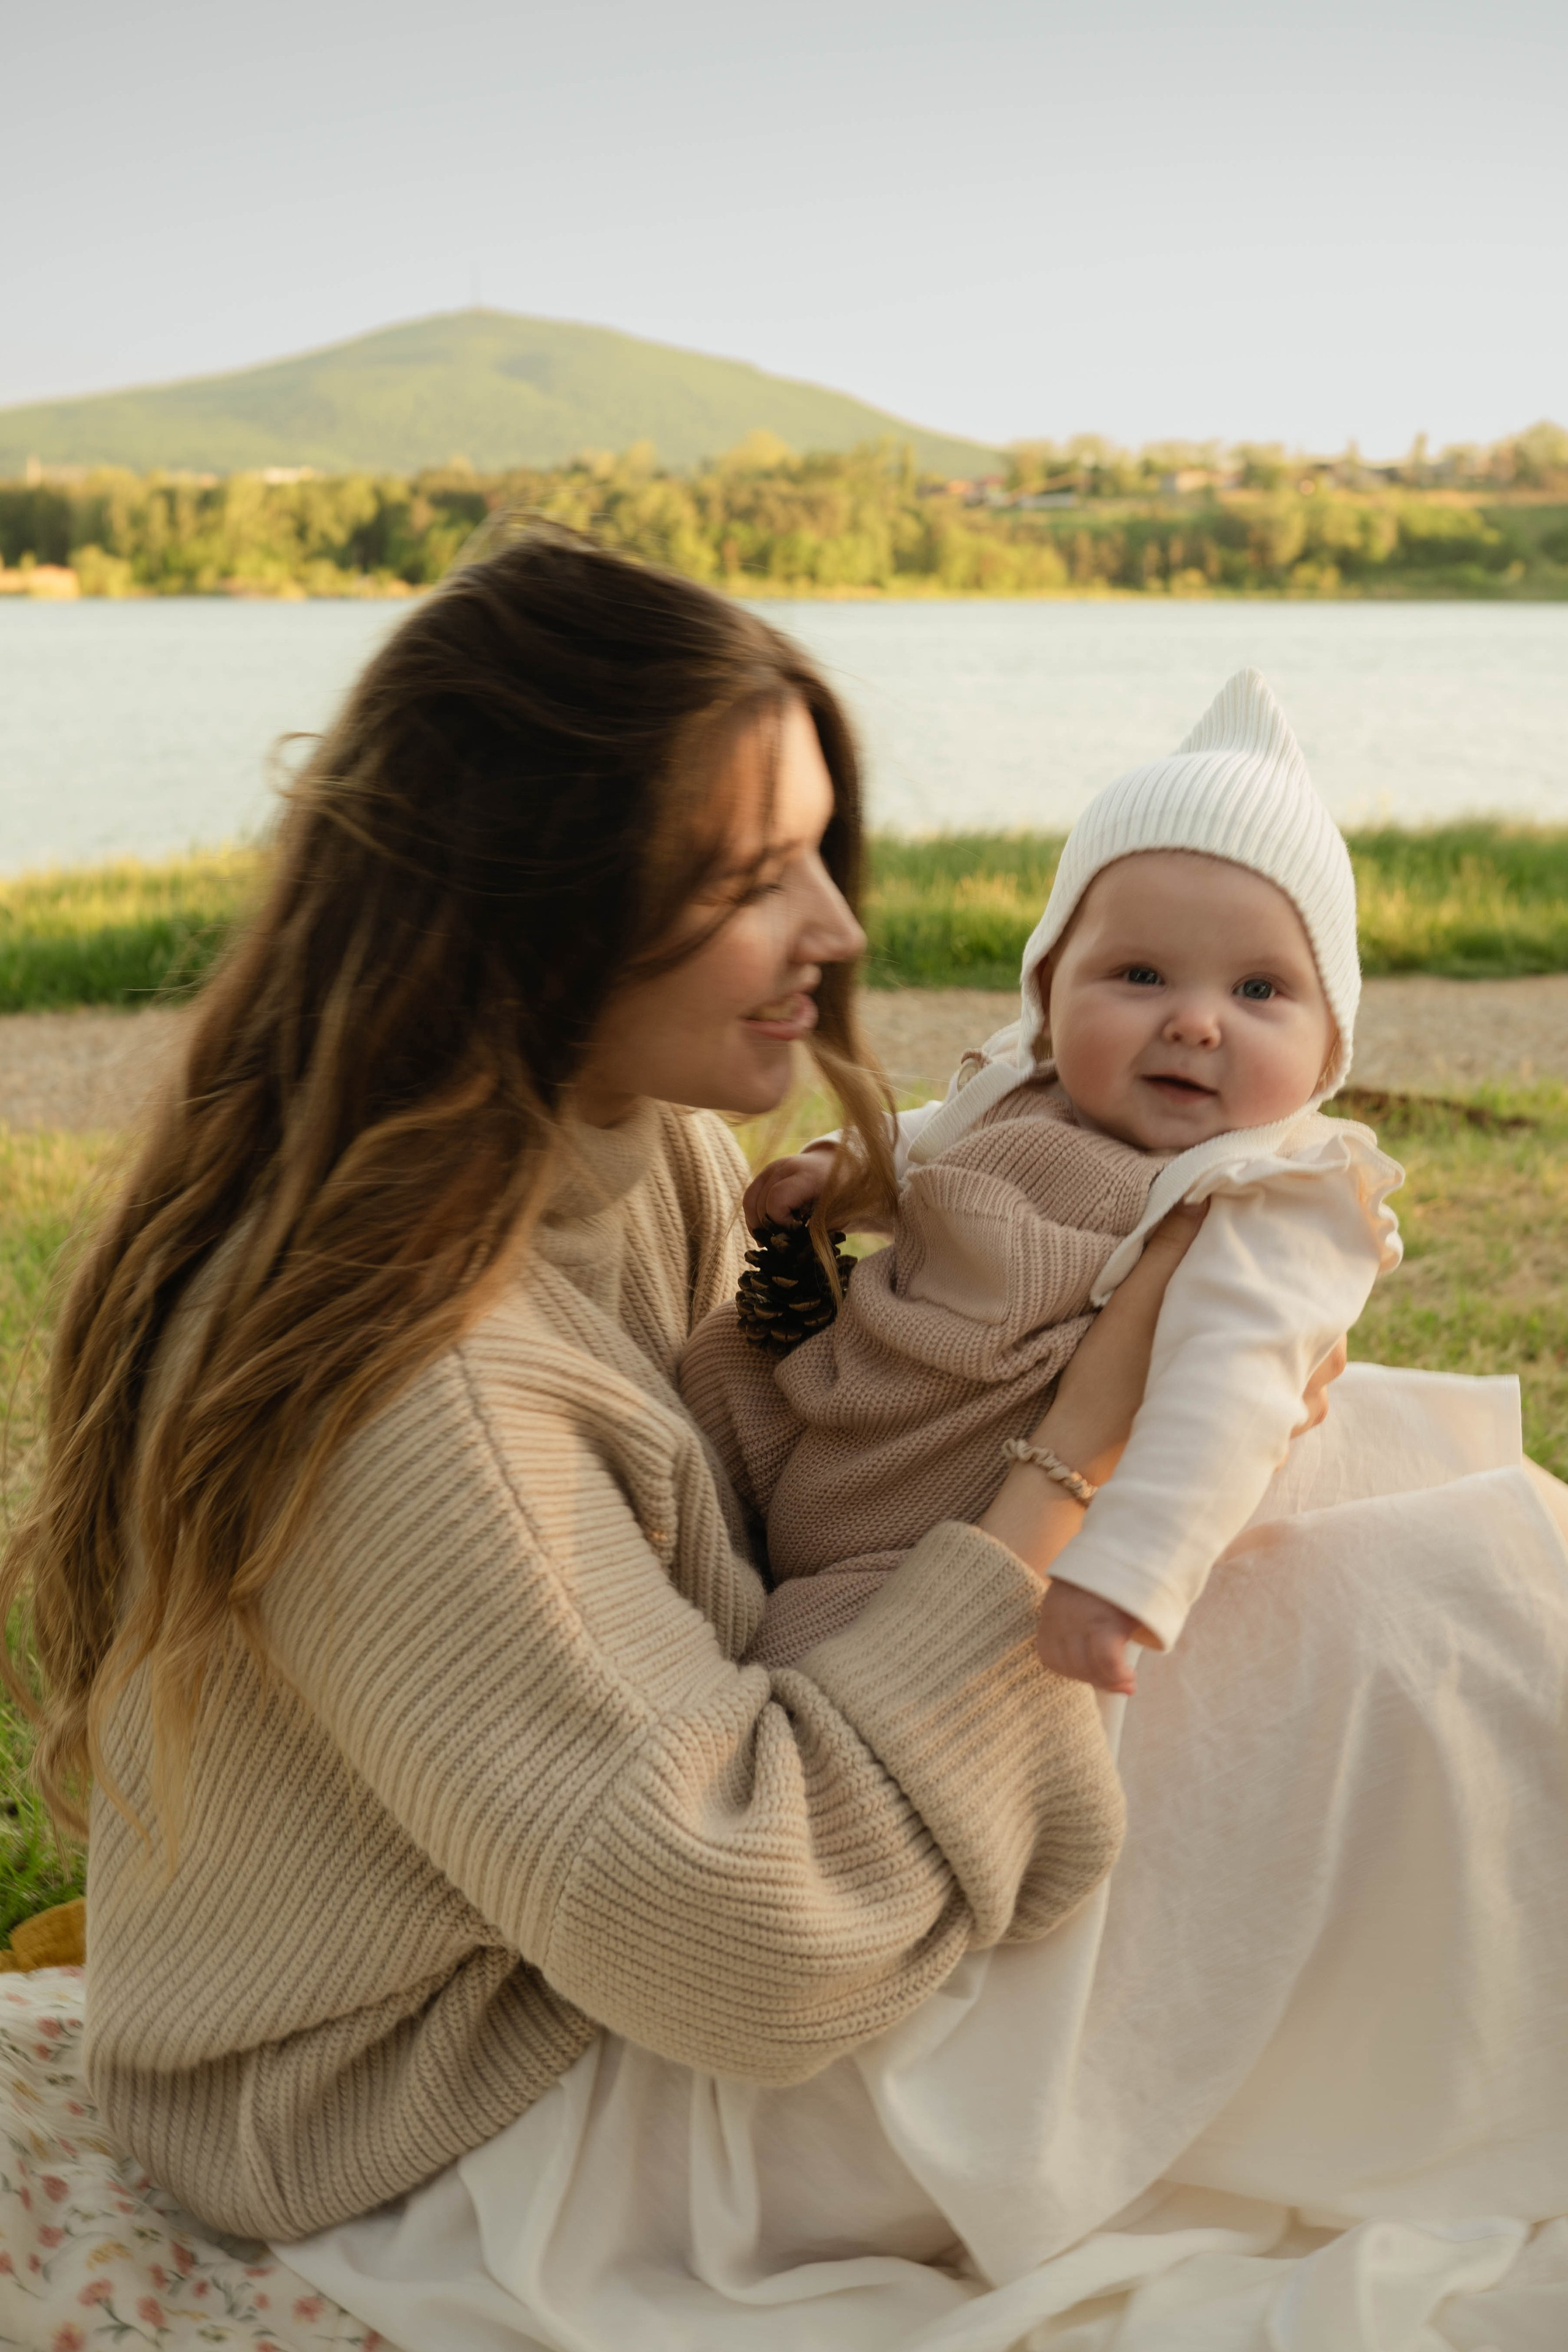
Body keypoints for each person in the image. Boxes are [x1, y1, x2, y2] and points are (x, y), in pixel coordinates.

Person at [4, 536, 1566, 2352]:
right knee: (1413, 1626)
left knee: (1399, 1489)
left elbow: (746, 1494)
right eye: (757, 877)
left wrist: (875, 1308)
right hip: (472, 2104)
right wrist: (1076, 1448)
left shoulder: (627, 1144)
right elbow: (742, 1937)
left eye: (824, 850)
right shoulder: (416, 1383)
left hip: (623, 1915)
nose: (836, 930)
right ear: (544, 902)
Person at [682, 672, 1404, 1693]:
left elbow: (1228, 1403)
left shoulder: (1265, 1197)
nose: (1196, 1022)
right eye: (1142, 976)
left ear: (1330, 1040)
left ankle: (749, 1691)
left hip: (953, 1520)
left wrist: (1126, 1577)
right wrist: (845, 1170)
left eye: (1259, 990)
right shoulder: (1025, 1086)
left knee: (825, 1663)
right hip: (841, 1406)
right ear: (1049, 991)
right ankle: (656, 1580)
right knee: (708, 1377)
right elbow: (930, 1144)